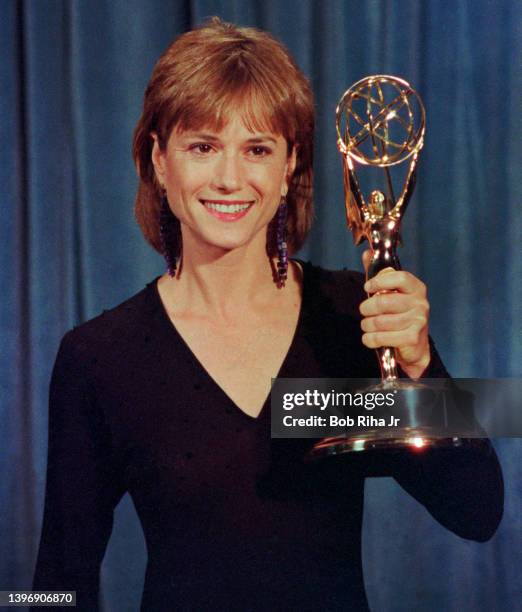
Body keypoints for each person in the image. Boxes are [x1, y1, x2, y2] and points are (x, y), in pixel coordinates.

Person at [32, 18, 503, 611]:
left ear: (288, 169)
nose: (230, 178)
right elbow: (56, 580)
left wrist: (420, 367)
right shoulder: (99, 358)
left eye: (257, 149)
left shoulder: (353, 318)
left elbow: (478, 510)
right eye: (203, 146)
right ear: (158, 160)